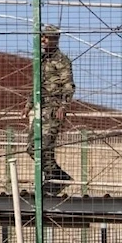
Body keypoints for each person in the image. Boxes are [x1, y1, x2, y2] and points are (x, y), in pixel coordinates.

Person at [21, 24, 75, 195]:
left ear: (54, 39)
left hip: (52, 108)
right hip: (39, 107)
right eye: (41, 36)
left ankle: (53, 181)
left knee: (44, 146)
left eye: (46, 37)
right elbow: (37, 84)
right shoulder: (41, 59)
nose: (43, 40)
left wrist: (63, 106)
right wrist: (29, 103)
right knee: (32, 147)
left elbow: (68, 85)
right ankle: (57, 177)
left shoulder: (62, 61)